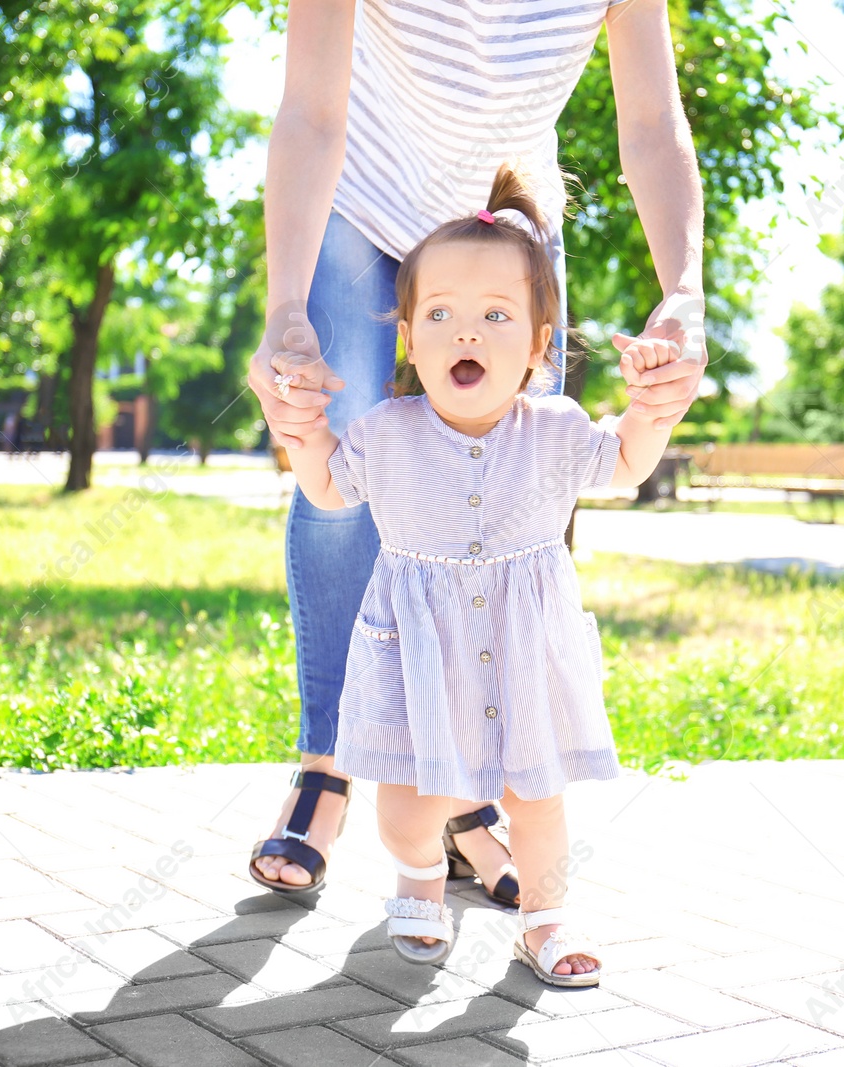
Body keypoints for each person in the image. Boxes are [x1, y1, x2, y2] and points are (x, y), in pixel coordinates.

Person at [245, 0, 709, 903]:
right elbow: (310, 111)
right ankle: (330, 764)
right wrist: (285, 308)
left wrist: (684, 288)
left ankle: (469, 793)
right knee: (338, 466)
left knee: (522, 493)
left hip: (507, 217)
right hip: (357, 196)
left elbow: (651, 121)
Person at [281, 164, 679, 985]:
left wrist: (651, 409)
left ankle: (546, 915)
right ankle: (422, 873)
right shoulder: (386, 433)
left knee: (539, 803)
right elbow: (325, 487)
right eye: (441, 315)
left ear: (539, 344)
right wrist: (300, 428)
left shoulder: (558, 430)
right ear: (410, 338)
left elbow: (628, 466)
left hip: (524, 648)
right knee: (405, 805)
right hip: (416, 653)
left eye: (497, 316)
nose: (467, 334)